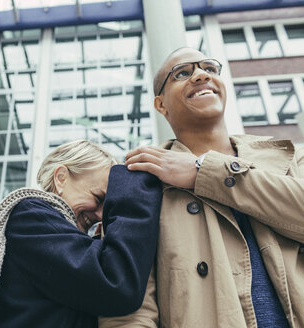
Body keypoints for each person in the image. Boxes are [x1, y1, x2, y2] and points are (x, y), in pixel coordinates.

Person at [99, 47, 304, 328]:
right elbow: (129, 309)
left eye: (209, 68)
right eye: (182, 73)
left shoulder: (290, 156)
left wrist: (203, 172)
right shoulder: (138, 183)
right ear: (161, 105)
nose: (199, 75)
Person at [0, 140, 162, 328]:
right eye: (98, 197)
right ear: (61, 178)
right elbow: (116, 283)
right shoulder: (30, 218)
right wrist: (132, 191)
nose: (101, 215)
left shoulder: (57, 237)